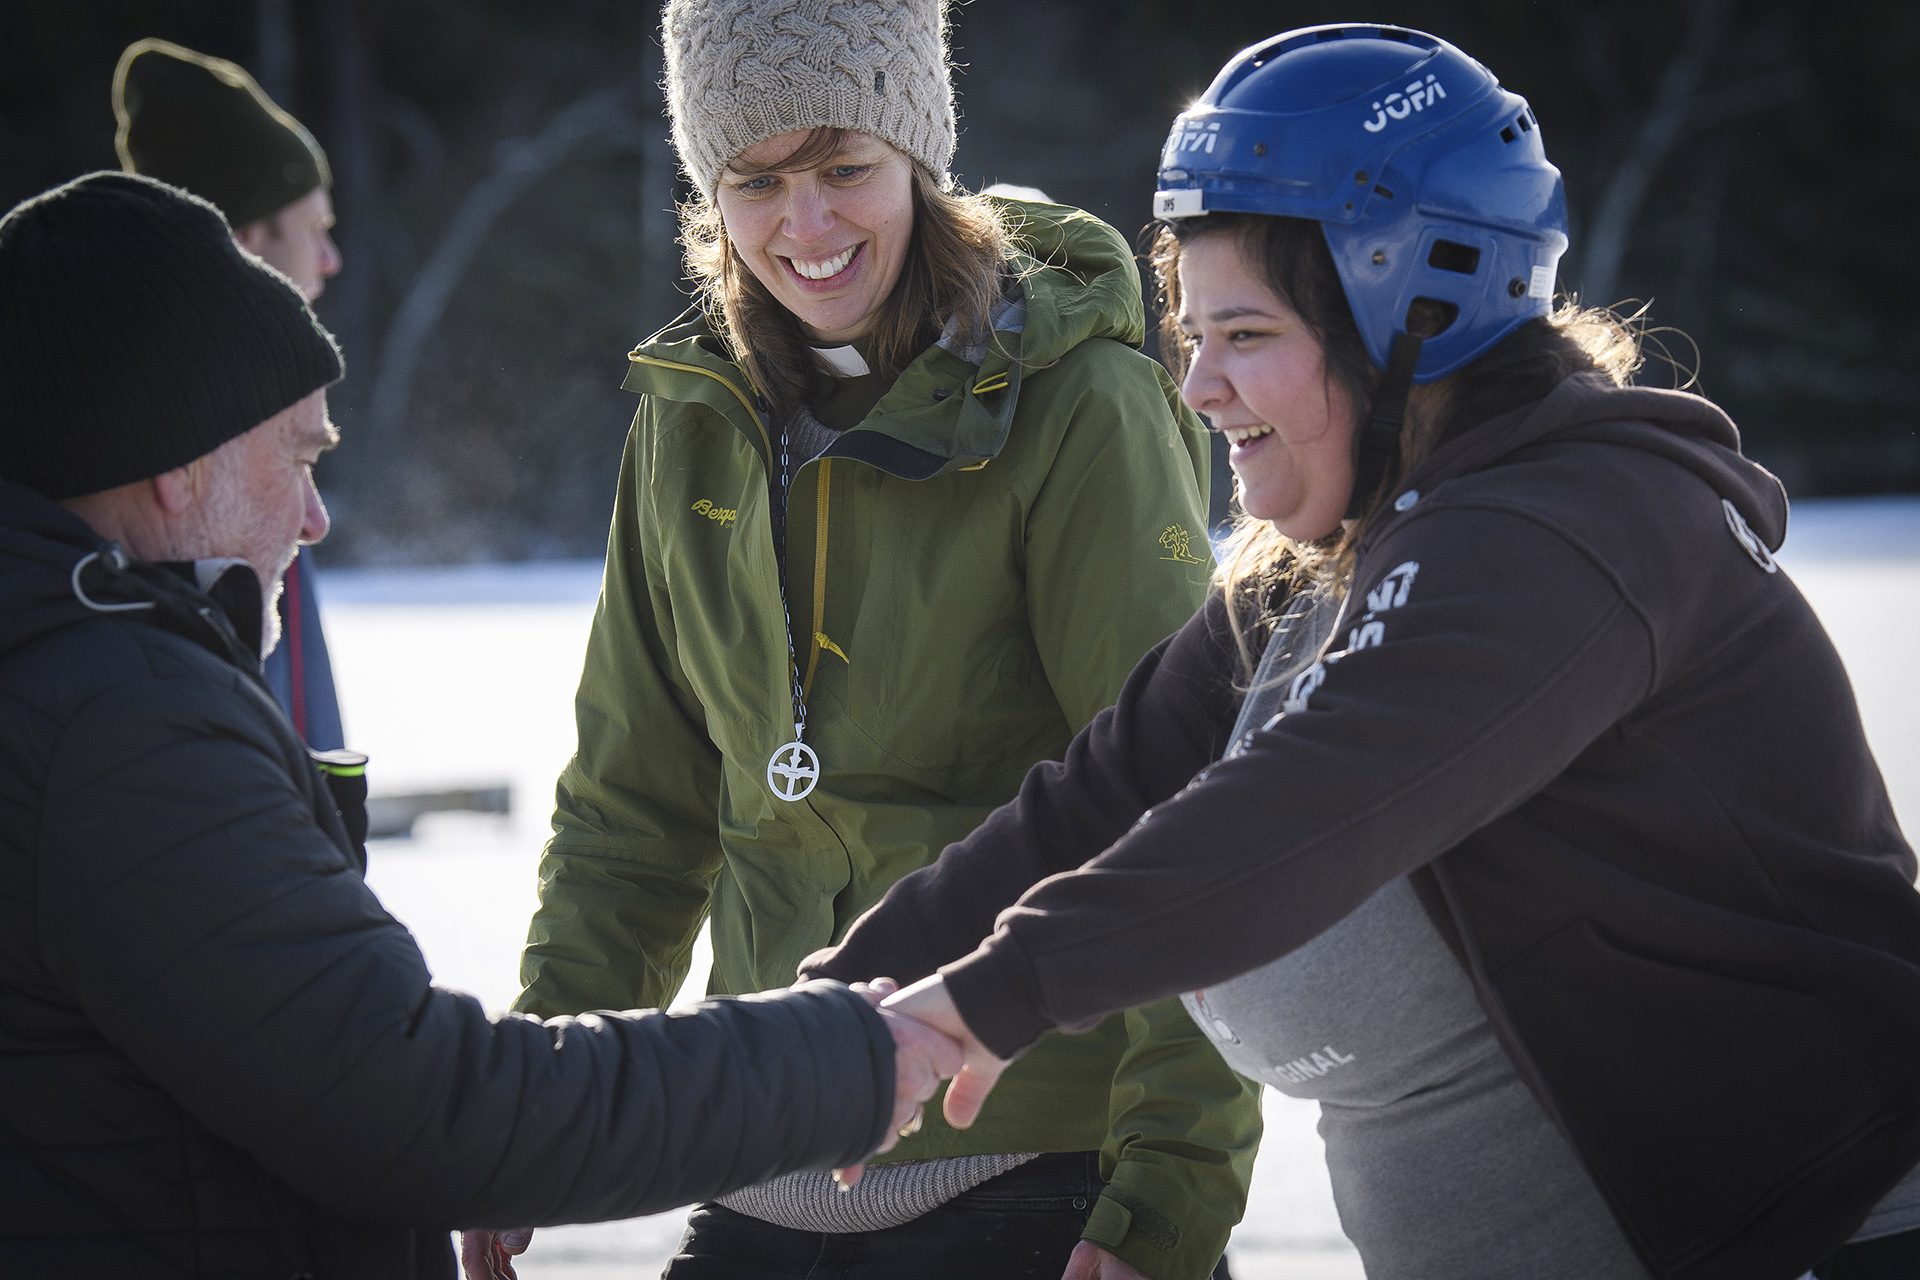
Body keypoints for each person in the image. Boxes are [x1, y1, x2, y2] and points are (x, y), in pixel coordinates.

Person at [803, 23, 1920, 1280]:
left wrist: (988, 1002)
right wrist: (813, 1029)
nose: (1200, 387)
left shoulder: (1576, 536)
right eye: (1191, 333)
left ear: (1418, 311)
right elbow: (1092, 800)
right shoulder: (1312, 575)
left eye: (1248, 334)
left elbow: (1304, 813)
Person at [0, 171, 963, 1280]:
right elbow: (413, 1104)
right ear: (178, 462)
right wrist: (838, 1058)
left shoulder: (70, 681)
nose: (315, 516)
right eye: (300, 455)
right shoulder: (116, 729)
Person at [473, 2, 1261, 1277]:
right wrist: (535, 1121)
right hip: (766, 1145)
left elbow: (1181, 811)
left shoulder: (1078, 406)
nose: (808, 223)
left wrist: (1170, 1189)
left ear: (920, 164)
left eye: (846, 168)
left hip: (1037, 1164)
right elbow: (635, 811)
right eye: (758, 181)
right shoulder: (689, 422)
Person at [114, 37, 347, 749]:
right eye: (314, 229)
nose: (332, 260)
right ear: (247, 240)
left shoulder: (259, 406)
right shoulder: (174, 436)